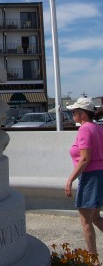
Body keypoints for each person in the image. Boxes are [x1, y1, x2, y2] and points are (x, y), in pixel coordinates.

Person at [65, 97, 103, 261]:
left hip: (90, 177)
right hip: (100, 175)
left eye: (74, 111)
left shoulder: (84, 130)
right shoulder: (98, 128)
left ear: (82, 114)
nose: (72, 113)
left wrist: (70, 179)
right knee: (95, 217)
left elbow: (85, 158)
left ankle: (93, 261)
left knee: (85, 220)